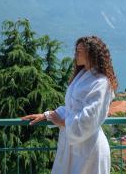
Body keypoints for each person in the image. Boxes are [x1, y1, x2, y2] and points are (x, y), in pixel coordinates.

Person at [21, 36, 117, 174]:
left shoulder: (101, 83)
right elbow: (72, 108)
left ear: (91, 54)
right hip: (74, 149)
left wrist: (63, 122)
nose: (75, 54)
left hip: (90, 149)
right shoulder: (82, 75)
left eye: (79, 51)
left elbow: (90, 118)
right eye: (76, 50)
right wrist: (47, 115)